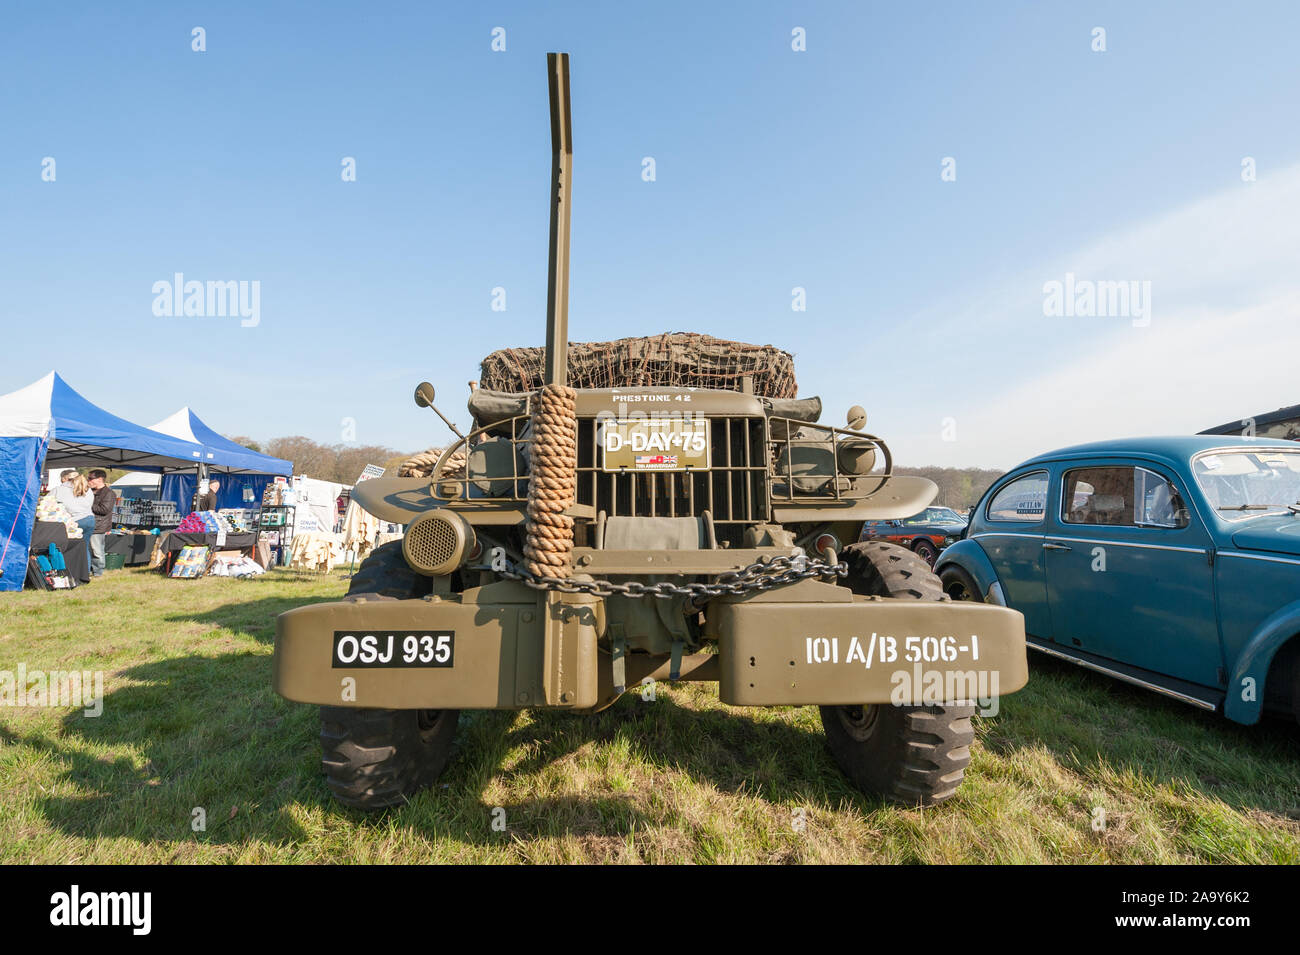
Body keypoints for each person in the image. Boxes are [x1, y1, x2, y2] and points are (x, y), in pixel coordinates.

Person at [56, 470, 95, 570]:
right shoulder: (87, 489)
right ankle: (86, 572)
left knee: (67, 548)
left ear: (64, 478)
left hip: (74, 521)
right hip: (90, 519)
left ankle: (70, 571)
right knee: (84, 547)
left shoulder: (60, 489)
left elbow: (47, 502)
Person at [88, 470, 116, 577]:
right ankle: (88, 570)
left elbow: (104, 510)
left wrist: (87, 504)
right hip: (89, 524)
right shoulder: (89, 491)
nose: (88, 480)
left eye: (91, 478)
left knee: (97, 551)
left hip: (99, 526)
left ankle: (98, 573)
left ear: (99, 479)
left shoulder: (109, 493)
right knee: (89, 549)